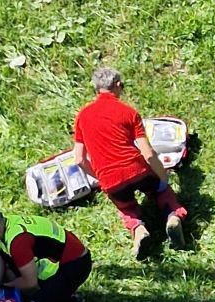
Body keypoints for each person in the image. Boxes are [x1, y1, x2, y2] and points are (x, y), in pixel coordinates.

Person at [73, 67, 187, 257]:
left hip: (110, 180)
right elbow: (148, 154)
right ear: (117, 85)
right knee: (160, 191)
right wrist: (162, 176)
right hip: (137, 170)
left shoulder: (82, 116)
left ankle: (138, 230)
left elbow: (79, 159)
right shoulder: (128, 112)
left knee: (126, 208)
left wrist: (102, 179)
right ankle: (173, 216)